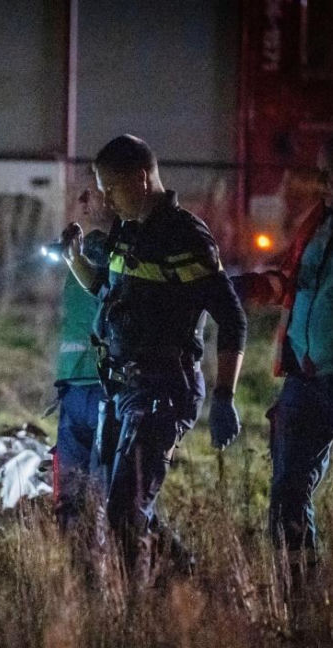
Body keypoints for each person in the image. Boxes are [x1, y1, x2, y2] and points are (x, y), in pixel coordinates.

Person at [60, 135, 247, 575]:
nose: (106, 198)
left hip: (164, 388)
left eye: (113, 188)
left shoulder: (186, 236)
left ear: (142, 179)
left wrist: (225, 396)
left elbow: (232, 319)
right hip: (123, 388)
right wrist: (74, 259)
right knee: (124, 504)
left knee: (125, 509)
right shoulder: (129, 230)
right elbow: (108, 289)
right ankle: (187, 580)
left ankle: (139, 619)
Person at [238, 137, 333, 584]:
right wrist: (245, 288)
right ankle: (299, 597)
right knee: (287, 491)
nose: (325, 185)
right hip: (306, 379)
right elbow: (289, 282)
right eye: (323, 175)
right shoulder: (317, 224)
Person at [53, 187, 114, 531]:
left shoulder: (123, 251)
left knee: (104, 498)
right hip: (75, 386)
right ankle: (77, 574)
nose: (82, 200)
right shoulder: (83, 249)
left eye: (93, 192)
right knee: (73, 498)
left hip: (107, 388)